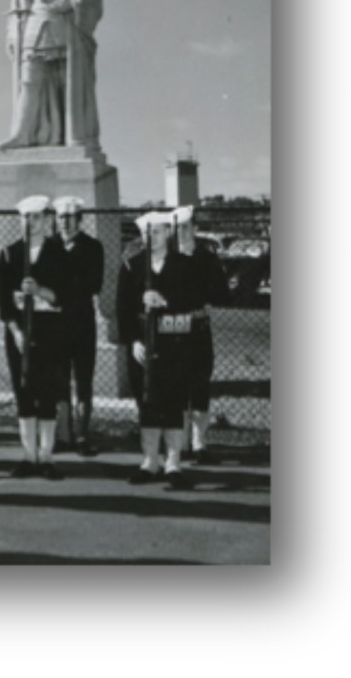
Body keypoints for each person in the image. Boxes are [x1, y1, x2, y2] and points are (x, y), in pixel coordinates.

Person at [0, 0, 102, 150]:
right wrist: (11, 35)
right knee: (29, 83)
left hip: (65, 28)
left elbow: (93, 3)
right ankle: (22, 134)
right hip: (33, 29)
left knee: (68, 83)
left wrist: (75, 4)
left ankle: (72, 135)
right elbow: (17, 8)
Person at [116, 211, 196, 490]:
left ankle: (173, 463)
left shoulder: (184, 265)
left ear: (168, 232)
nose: (153, 237)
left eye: (158, 231)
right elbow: (122, 310)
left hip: (175, 343)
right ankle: (150, 461)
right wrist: (134, 341)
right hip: (143, 345)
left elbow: (194, 298)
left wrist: (165, 300)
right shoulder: (131, 266)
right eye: (147, 232)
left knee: (174, 401)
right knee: (147, 401)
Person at [0, 194, 67, 478]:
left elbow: (64, 297)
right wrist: (15, 332)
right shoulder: (9, 254)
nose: (30, 223)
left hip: (50, 329)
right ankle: (28, 456)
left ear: (46, 219)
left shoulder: (58, 253)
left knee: (47, 392)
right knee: (24, 392)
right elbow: (3, 302)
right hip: (18, 333)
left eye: (36, 217)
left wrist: (40, 291)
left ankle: (46, 456)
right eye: (25, 217)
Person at [173, 205, 231, 463]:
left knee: (199, 384)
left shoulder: (206, 258)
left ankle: (199, 444)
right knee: (177, 385)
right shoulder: (168, 257)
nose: (181, 232)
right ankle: (181, 443)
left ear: (195, 228)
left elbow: (221, 292)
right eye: (177, 228)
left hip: (197, 327)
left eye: (186, 227)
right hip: (172, 329)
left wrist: (205, 297)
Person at [52, 196, 105, 455]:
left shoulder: (93, 247)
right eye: (61, 217)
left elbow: (93, 284)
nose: (65, 223)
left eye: (70, 218)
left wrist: (61, 286)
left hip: (82, 322)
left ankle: (82, 435)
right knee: (60, 379)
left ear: (80, 220)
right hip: (56, 324)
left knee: (83, 379)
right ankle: (63, 435)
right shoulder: (49, 246)